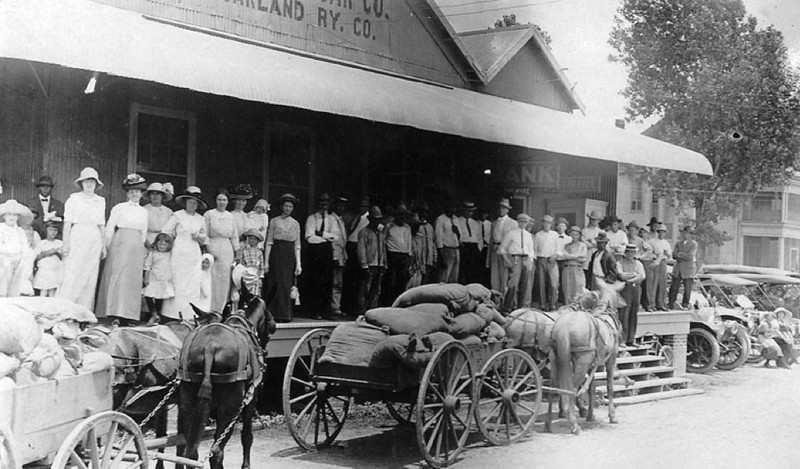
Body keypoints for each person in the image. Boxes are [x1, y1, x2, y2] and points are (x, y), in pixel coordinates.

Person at [96, 173, 149, 323]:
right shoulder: (119, 208)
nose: (134, 194)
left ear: (141, 194)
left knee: (131, 280)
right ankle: (114, 313)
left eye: (137, 192)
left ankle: (128, 314)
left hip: (136, 246)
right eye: (131, 192)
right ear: (127, 193)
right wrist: (107, 245)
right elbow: (110, 227)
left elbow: (144, 232)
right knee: (118, 276)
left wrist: (140, 247)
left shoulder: (143, 211)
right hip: (120, 243)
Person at [57, 167, 106, 310]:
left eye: (92, 181)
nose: (89, 184)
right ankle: (66, 309)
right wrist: (66, 243)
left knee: (90, 275)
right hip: (77, 236)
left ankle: (83, 312)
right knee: (73, 273)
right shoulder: (74, 199)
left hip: (94, 238)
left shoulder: (101, 200)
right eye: (86, 181)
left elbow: (101, 224)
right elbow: (68, 222)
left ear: (96, 184)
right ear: (81, 183)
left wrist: (104, 245)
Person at [160, 186, 208, 320]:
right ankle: (172, 314)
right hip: (179, 251)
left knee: (192, 282)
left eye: (195, 203)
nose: (192, 205)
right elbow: (166, 231)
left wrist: (199, 238)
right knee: (178, 281)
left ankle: (189, 314)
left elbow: (205, 237)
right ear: (185, 202)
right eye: (190, 202)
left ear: (198, 205)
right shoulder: (177, 215)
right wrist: (169, 243)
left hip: (194, 252)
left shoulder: (201, 219)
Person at [264, 193, 302, 322]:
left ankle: (285, 315)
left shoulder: (295, 223)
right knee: (275, 283)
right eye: (286, 206)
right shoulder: (274, 221)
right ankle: (271, 314)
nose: (287, 208)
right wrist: (266, 261)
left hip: (289, 255)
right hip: (276, 253)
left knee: (286, 284)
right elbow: (269, 242)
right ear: (282, 207)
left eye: (290, 206)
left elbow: (297, 245)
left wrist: (299, 263)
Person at [304, 193, 341, 318]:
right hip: (315, 252)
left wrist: (321, 233)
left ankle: (326, 311)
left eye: (326, 203)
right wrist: (326, 236)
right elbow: (310, 237)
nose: (323, 206)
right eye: (321, 203)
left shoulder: (332, 219)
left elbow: (336, 236)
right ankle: (315, 311)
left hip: (327, 251)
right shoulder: (311, 218)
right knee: (315, 281)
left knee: (327, 281)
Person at [204, 191, 240, 312]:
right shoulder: (209, 214)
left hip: (227, 248)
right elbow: (205, 234)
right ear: (215, 201)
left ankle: (221, 309)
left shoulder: (230, 216)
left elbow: (234, 236)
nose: (221, 202)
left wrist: (237, 252)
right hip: (213, 246)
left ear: (228, 202)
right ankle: (210, 309)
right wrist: (209, 250)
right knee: (212, 279)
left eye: (224, 200)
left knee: (225, 280)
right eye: (219, 200)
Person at [497, 213, 535, 311]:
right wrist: (507, 259)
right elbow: (502, 248)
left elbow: (531, 249)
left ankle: (521, 307)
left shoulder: (528, 235)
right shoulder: (512, 233)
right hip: (516, 259)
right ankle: (507, 306)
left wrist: (530, 261)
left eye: (525, 222)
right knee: (513, 283)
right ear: (518, 222)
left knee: (525, 283)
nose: (523, 224)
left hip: (526, 259)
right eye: (521, 222)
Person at [0, 200, 34, 297]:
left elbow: (25, 248)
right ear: (4, 216)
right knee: (3, 284)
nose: (12, 217)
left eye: (15, 215)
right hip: (3, 261)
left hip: (18, 262)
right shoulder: (1, 229)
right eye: (9, 214)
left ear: (18, 217)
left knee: (16, 286)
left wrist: (24, 258)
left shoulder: (20, 231)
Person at [357, 206, 386, 313]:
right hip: (369, 264)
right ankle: (362, 310)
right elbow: (361, 249)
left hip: (378, 264)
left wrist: (383, 264)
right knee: (365, 289)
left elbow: (382, 249)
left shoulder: (380, 233)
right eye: (375, 219)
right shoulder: (364, 232)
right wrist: (364, 265)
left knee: (376, 290)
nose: (377, 221)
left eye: (378, 219)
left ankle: (372, 310)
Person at [344, 196, 370, 311]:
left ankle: (358, 306)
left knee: (360, 280)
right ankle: (349, 305)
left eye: (363, 206)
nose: (361, 208)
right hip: (350, 246)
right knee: (350, 278)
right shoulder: (354, 217)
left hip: (361, 248)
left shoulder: (370, 219)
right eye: (359, 206)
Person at [617, 244, 646, 346]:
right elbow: (621, 275)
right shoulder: (620, 263)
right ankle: (623, 339)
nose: (631, 254)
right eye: (629, 252)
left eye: (633, 252)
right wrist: (633, 275)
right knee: (624, 313)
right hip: (625, 288)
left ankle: (631, 339)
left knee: (634, 313)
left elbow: (642, 276)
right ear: (625, 253)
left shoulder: (638, 263)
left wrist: (631, 278)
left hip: (636, 288)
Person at [143, 233, 175, 325]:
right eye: (160, 244)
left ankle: (157, 317)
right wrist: (146, 278)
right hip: (153, 278)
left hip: (163, 279)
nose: (162, 246)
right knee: (148, 296)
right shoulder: (153, 253)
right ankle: (154, 314)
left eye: (165, 245)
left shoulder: (169, 254)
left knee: (159, 298)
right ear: (156, 243)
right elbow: (147, 266)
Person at [487, 198, 517, 294]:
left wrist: (512, 257)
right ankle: (496, 300)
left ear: (508, 210)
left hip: (506, 253)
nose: (501, 210)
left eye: (504, 208)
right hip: (495, 251)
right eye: (500, 208)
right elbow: (491, 240)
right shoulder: (494, 223)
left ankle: (505, 301)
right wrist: (488, 258)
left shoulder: (513, 223)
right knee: (495, 277)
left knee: (505, 277)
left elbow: (514, 241)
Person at [384, 206, 412, 304]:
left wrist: (409, 256)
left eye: (404, 215)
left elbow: (409, 243)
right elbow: (384, 240)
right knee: (391, 280)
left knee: (402, 280)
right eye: (400, 215)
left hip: (403, 255)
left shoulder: (407, 228)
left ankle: (399, 302)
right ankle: (388, 302)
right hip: (392, 254)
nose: (402, 217)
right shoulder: (389, 226)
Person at [668, 226, 697, 310]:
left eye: (687, 233)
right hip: (678, 268)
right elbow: (674, 255)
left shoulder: (693, 244)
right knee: (673, 287)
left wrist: (680, 254)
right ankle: (670, 304)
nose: (684, 235)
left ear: (690, 234)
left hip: (688, 269)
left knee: (687, 288)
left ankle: (685, 304)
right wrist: (681, 255)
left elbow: (690, 256)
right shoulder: (678, 243)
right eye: (684, 233)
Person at [534, 214, 560, 311]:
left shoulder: (555, 234)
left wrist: (555, 255)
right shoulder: (538, 235)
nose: (547, 225)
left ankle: (552, 304)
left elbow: (559, 249)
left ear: (551, 224)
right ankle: (543, 304)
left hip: (552, 260)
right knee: (541, 283)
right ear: (542, 223)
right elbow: (535, 249)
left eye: (549, 223)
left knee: (553, 283)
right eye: (545, 222)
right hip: (541, 259)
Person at [626, 221, 653, 309]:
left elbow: (649, 249)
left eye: (633, 230)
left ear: (637, 231)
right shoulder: (626, 238)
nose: (631, 232)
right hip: (626, 261)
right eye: (630, 230)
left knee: (637, 282)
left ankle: (638, 303)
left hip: (636, 262)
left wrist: (641, 256)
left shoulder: (640, 240)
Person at [33, 219, 63, 297]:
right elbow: (37, 256)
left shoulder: (59, 243)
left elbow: (63, 257)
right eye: (51, 230)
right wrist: (47, 253)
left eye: (55, 230)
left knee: (53, 291)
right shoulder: (42, 243)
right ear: (46, 231)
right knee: (44, 290)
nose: (53, 232)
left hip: (55, 271)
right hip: (45, 271)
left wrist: (56, 252)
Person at [456, 201, 483, 285]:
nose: (469, 213)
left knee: (473, 271)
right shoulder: (457, 221)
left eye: (471, 211)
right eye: (467, 211)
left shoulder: (475, 223)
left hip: (474, 247)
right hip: (464, 247)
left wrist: (478, 249)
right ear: (463, 211)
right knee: (462, 270)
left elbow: (480, 238)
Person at [331, 197, 349, 315]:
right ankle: (333, 307)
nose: (341, 208)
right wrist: (334, 257)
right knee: (334, 282)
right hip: (334, 255)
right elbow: (332, 239)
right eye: (339, 205)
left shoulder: (341, 220)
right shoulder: (331, 219)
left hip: (342, 255)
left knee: (339, 283)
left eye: (343, 206)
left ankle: (336, 306)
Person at [142, 182, 174, 249]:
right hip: (147, 240)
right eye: (153, 194)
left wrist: (164, 244)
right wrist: (148, 245)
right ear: (149, 195)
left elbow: (171, 230)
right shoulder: (144, 210)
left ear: (162, 196)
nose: (155, 196)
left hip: (163, 242)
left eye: (158, 194)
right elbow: (141, 230)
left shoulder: (168, 211)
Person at [647, 223, 672, 311]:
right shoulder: (652, 241)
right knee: (654, 283)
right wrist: (655, 256)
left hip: (663, 262)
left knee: (662, 284)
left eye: (663, 232)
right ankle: (651, 304)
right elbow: (649, 252)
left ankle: (661, 303)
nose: (661, 234)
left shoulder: (666, 243)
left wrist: (666, 253)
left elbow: (669, 255)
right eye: (660, 232)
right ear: (657, 232)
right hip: (655, 262)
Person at [435, 203, 461, 283]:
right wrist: (441, 252)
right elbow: (438, 236)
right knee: (444, 275)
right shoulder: (440, 219)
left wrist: (457, 232)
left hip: (456, 249)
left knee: (454, 276)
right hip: (446, 249)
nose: (452, 210)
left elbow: (460, 236)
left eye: (454, 208)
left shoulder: (455, 219)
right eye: (450, 208)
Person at [561, 226, 588, 304]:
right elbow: (564, 256)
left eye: (576, 234)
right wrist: (577, 256)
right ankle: (567, 307)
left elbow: (583, 258)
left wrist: (570, 256)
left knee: (579, 290)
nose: (574, 236)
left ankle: (578, 308)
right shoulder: (567, 246)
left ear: (579, 236)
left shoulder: (582, 245)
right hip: (567, 269)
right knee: (568, 290)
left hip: (578, 269)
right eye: (572, 234)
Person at [238, 228, 265, 296]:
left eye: (255, 239)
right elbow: (241, 262)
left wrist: (261, 277)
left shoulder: (259, 252)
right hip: (246, 273)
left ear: (258, 241)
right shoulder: (244, 250)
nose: (253, 241)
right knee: (245, 291)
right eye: (251, 238)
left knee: (255, 292)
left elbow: (261, 266)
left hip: (255, 274)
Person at [415, 202, 437, 284]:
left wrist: (434, 258)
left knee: (425, 281)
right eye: (422, 211)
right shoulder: (417, 227)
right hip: (419, 260)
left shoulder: (429, 227)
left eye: (426, 212)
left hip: (428, 259)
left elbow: (433, 243)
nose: (424, 214)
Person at [582, 210, 603, 286]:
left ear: (598, 221)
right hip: (587, 258)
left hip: (598, 258)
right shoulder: (584, 231)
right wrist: (595, 244)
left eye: (595, 220)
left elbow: (603, 246)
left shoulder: (601, 232)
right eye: (592, 219)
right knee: (587, 280)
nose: (593, 221)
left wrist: (592, 242)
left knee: (597, 281)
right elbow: (584, 244)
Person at [554, 217, 570, 303]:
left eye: (563, 226)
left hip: (564, 261)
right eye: (559, 226)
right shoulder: (554, 237)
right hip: (555, 261)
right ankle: (555, 299)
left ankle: (563, 298)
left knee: (564, 280)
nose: (561, 228)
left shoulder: (569, 239)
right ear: (556, 227)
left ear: (566, 228)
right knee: (555, 281)